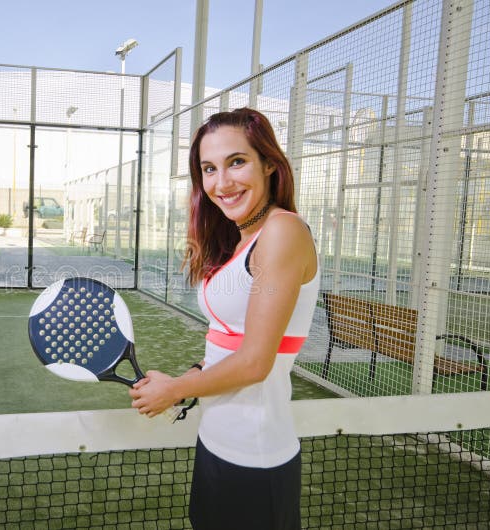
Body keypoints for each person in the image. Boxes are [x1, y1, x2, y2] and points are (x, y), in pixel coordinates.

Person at [129, 108, 320, 529]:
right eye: (209, 169)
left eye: (237, 162)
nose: (222, 182)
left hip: (256, 456)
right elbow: (227, 343)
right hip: (216, 441)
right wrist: (190, 376)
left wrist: (176, 389)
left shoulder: (283, 232)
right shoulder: (240, 241)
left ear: (269, 163)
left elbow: (256, 361)